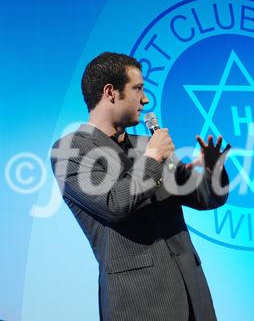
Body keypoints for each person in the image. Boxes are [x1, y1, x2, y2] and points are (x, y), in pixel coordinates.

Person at [51, 52, 230, 321]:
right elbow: (114, 205)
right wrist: (153, 159)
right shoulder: (71, 149)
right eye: (137, 89)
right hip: (140, 303)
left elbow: (204, 198)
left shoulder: (147, 146)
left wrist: (213, 168)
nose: (145, 100)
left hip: (194, 296)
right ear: (110, 92)